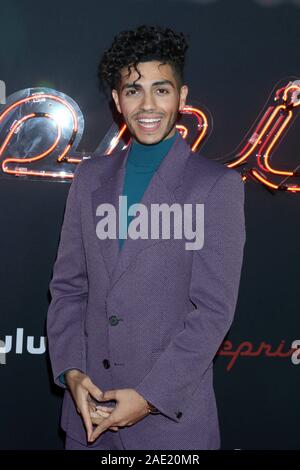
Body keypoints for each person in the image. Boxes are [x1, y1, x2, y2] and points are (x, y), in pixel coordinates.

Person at [47, 24, 246, 450]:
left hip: (171, 429)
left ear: (182, 97)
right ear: (118, 101)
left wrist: (148, 398)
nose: (148, 105)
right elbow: (68, 289)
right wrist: (72, 372)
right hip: (89, 420)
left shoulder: (215, 187)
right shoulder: (89, 179)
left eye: (162, 89)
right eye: (134, 91)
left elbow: (212, 311)